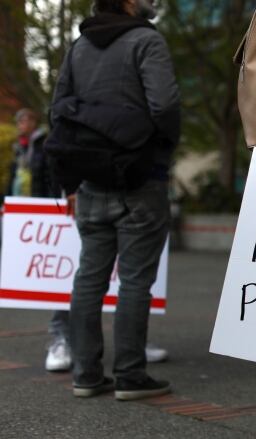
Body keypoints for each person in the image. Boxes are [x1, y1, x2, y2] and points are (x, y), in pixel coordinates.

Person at [50, 0, 180, 399]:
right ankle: (129, 375)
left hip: (91, 179)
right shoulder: (146, 41)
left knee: (88, 277)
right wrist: (160, 153)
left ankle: (86, 374)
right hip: (140, 179)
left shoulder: (79, 47)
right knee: (135, 281)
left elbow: (57, 109)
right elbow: (165, 105)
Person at [5, 109, 74, 371]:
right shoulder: (19, 147)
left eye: (27, 119)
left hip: (46, 207)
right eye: (20, 119)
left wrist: (49, 206)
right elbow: (16, 176)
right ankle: (61, 336)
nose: (23, 124)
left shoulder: (43, 144)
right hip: (26, 208)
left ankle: (132, 339)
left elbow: (48, 178)